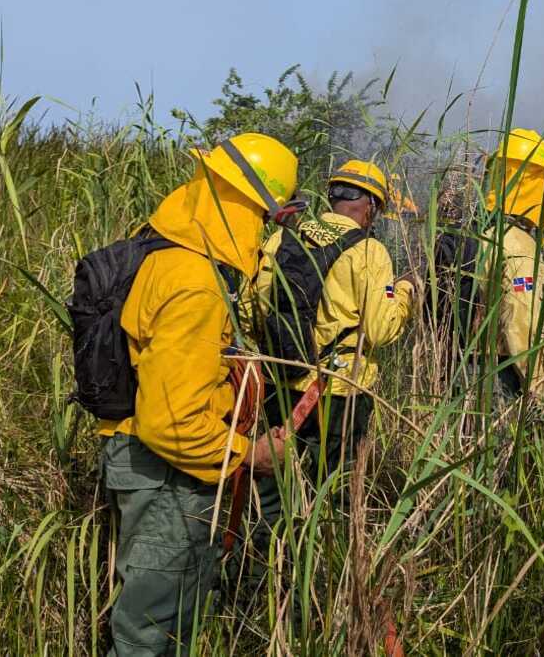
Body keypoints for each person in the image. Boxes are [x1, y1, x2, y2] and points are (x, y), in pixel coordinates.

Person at [100, 133, 297, 657]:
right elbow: (172, 422)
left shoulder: (170, 252)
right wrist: (249, 453)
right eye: (273, 219)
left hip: (155, 465)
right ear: (254, 209)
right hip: (168, 473)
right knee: (152, 631)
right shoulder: (196, 281)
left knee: (167, 619)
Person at [250, 160, 417, 538]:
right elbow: (380, 328)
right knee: (335, 489)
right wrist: (406, 292)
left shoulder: (281, 239)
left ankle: (264, 569)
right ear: (371, 206)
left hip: (280, 380)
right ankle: (328, 564)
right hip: (340, 393)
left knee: (273, 489)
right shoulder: (369, 251)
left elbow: (256, 308)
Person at [473, 127, 544, 400]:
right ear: (537, 183)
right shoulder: (517, 245)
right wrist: (538, 387)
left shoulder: (478, 234)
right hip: (501, 374)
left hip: (465, 366)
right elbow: (519, 321)